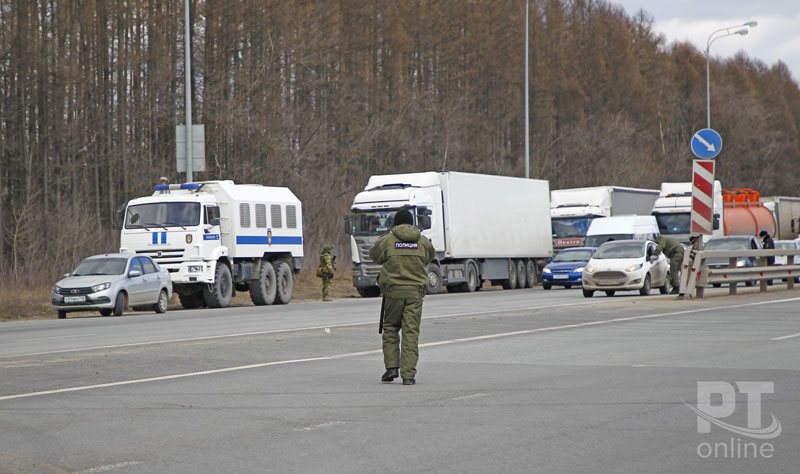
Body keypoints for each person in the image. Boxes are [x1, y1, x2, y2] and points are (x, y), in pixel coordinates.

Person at [368, 209, 435, 386]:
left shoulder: (387, 240)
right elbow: (429, 258)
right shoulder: (422, 241)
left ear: (395, 224)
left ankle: (391, 368)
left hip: (392, 293)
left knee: (390, 328)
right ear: (412, 223)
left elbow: (374, 256)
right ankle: (408, 376)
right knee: (410, 333)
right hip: (415, 294)